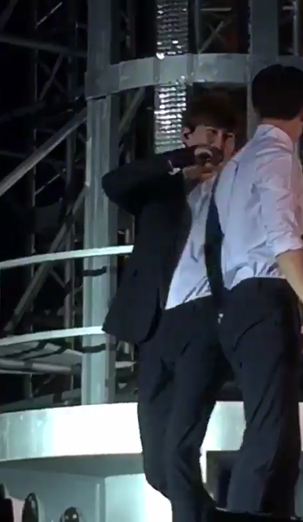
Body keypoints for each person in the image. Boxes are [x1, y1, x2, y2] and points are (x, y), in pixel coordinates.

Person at [101, 92, 238, 522]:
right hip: (155, 327)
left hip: (204, 325)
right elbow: (113, 183)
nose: (219, 144)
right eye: (211, 134)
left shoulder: (236, 191)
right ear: (187, 136)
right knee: (158, 469)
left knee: (180, 450)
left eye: (228, 137)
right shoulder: (160, 191)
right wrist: (177, 162)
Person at [209, 64, 303, 518]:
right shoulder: (276, 157)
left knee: (282, 442)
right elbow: (284, 239)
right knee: (268, 435)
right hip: (265, 300)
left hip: (239, 302)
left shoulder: (235, 165)